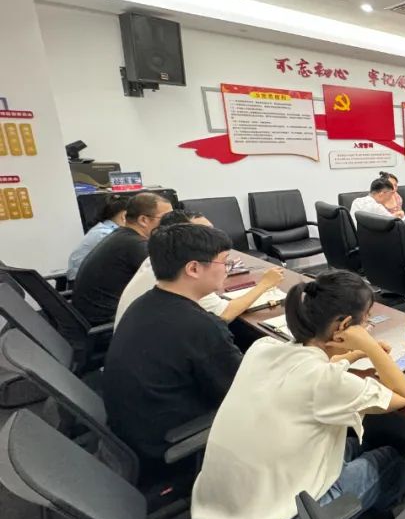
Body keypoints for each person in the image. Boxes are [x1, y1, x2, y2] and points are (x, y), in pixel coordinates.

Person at [190, 270, 405, 519]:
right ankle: (401, 491)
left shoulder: (263, 349)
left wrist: (352, 353)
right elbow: (402, 395)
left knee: (349, 444)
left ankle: (377, 494)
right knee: (384, 460)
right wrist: (371, 347)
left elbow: (311, 368)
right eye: (366, 322)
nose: (367, 327)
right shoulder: (325, 381)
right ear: (344, 327)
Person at [103, 222, 243, 481]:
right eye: (225, 262)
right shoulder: (199, 327)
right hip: (169, 448)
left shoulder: (145, 303)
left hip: (132, 434)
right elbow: (241, 392)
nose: (228, 269)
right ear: (193, 268)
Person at [114, 210, 284, 326]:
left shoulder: (161, 258)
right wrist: (264, 284)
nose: (212, 237)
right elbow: (224, 314)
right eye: (203, 233)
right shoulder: (182, 281)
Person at [72, 192, 173, 324]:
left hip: (91, 316)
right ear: (143, 220)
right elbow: (170, 280)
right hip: (108, 322)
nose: (172, 223)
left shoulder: (121, 236)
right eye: (166, 218)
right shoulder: (135, 245)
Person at [67, 194, 131, 281]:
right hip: (83, 282)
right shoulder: (105, 234)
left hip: (88, 279)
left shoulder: (104, 228)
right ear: (124, 216)